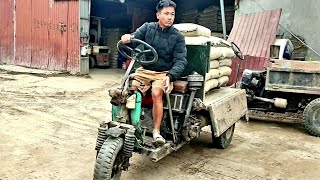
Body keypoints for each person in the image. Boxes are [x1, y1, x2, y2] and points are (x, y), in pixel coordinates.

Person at [120, 0, 187, 145]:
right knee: (129, 90)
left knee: (157, 93)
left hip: (163, 72)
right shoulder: (147, 28)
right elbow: (134, 39)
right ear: (158, 15)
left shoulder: (178, 37)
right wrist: (127, 38)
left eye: (172, 14)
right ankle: (129, 124)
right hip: (144, 70)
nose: (170, 17)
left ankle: (156, 132)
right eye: (166, 14)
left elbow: (181, 60)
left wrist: (171, 76)